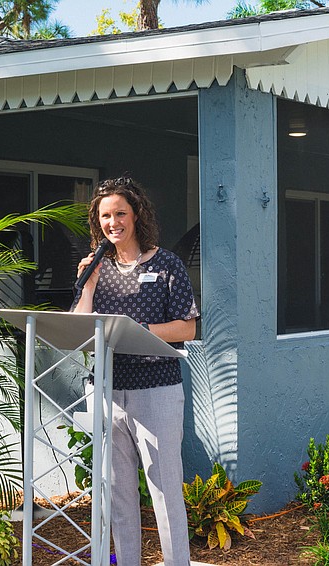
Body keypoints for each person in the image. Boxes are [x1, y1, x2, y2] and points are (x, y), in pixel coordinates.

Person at [72, 176, 198, 566]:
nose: (113, 223)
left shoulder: (166, 264)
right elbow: (80, 327)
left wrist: (140, 331)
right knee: (118, 493)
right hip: (107, 389)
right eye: (105, 216)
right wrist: (88, 285)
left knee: (164, 491)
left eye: (120, 213)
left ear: (137, 214)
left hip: (155, 388)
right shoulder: (96, 266)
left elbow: (187, 326)